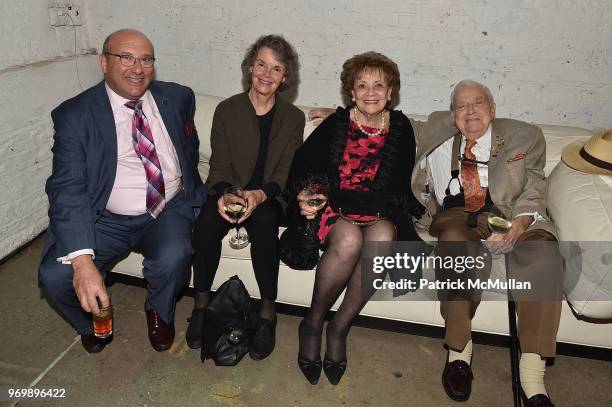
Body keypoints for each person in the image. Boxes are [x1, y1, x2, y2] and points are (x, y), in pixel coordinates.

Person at [38, 29, 205, 353]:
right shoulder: (75, 116)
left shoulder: (179, 96)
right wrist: (83, 264)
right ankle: (89, 324)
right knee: (55, 276)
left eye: (145, 59)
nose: (137, 68)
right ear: (103, 62)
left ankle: (159, 311)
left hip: (166, 208)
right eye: (125, 57)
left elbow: (189, 144)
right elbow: (67, 187)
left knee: (176, 255)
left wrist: (187, 182)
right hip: (104, 218)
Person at [283, 52, 444, 385]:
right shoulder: (337, 123)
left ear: (390, 92)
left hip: (378, 211)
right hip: (335, 207)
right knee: (349, 239)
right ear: (351, 92)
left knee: (384, 237)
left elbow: (400, 184)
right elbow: (305, 167)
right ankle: (313, 323)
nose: (371, 92)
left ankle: (340, 327)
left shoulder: (401, 128)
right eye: (362, 85)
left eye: (379, 85)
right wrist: (307, 195)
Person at [411, 80, 562, 407]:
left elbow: (536, 187)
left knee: (544, 255)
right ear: (452, 115)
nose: (470, 111)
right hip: (457, 214)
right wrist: (341, 115)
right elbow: (387, 117)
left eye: (477, 103)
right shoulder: (437, 128)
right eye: (461, 106)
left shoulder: (526, 135)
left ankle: (532, 375)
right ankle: (459, 353)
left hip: (512, 213)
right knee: (453, 244)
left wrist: (519, 224)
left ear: (492, 109)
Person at [188, 34, 304, 361]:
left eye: (276, 68)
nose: (266, 74)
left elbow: (285, 172)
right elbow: (220, 163)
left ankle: (267, 311)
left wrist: (260, 195)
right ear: (250, 67)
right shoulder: (227, 110)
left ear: (285, 77)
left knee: (265, 223)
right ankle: (200, 305)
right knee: (207, 221)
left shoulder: (293, 118)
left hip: (270, 197)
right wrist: (227, 194)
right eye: (261, 64)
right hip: (231, 189)